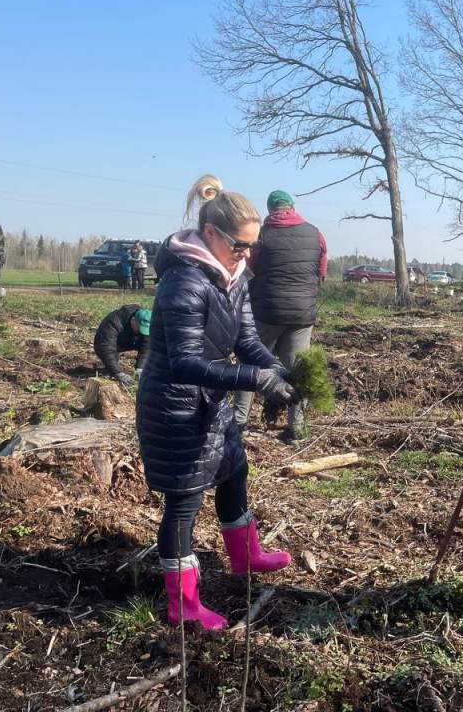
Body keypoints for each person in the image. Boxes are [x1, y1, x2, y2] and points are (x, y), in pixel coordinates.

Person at [136, 174, 298, 631]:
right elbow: (186, 363)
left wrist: (278, 369)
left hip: (210, 400)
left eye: (252, 247)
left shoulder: (234, 277)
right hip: (174, 406)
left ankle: (247, 557)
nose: (246, 255)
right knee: (184, 502)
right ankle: (183, 604)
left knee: (233, 471)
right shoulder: (183, 282)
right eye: (239, 246)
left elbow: (247, 341)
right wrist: (257, 380)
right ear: (211, 234)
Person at [233, 189, 327, 439]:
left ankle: (239, 422)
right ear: (292, 207)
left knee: (250, 363)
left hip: (266, 311)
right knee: (298, 370)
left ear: (270, 209)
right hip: (302, 315)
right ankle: (296, 428)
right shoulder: (315, 233)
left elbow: (247, 268)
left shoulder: (262, 234)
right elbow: (321, 271)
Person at [93, 304, 151, 385]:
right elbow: (106, 348)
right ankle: (111, 368)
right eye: (139, 328)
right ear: (133, 320)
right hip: (108, 341)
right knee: (110, 360)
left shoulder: (147, 321)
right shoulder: (114, 322)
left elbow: (147, 347)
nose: (141, 332)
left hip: (130, 340)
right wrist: (118, 373)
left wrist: (140, 368)